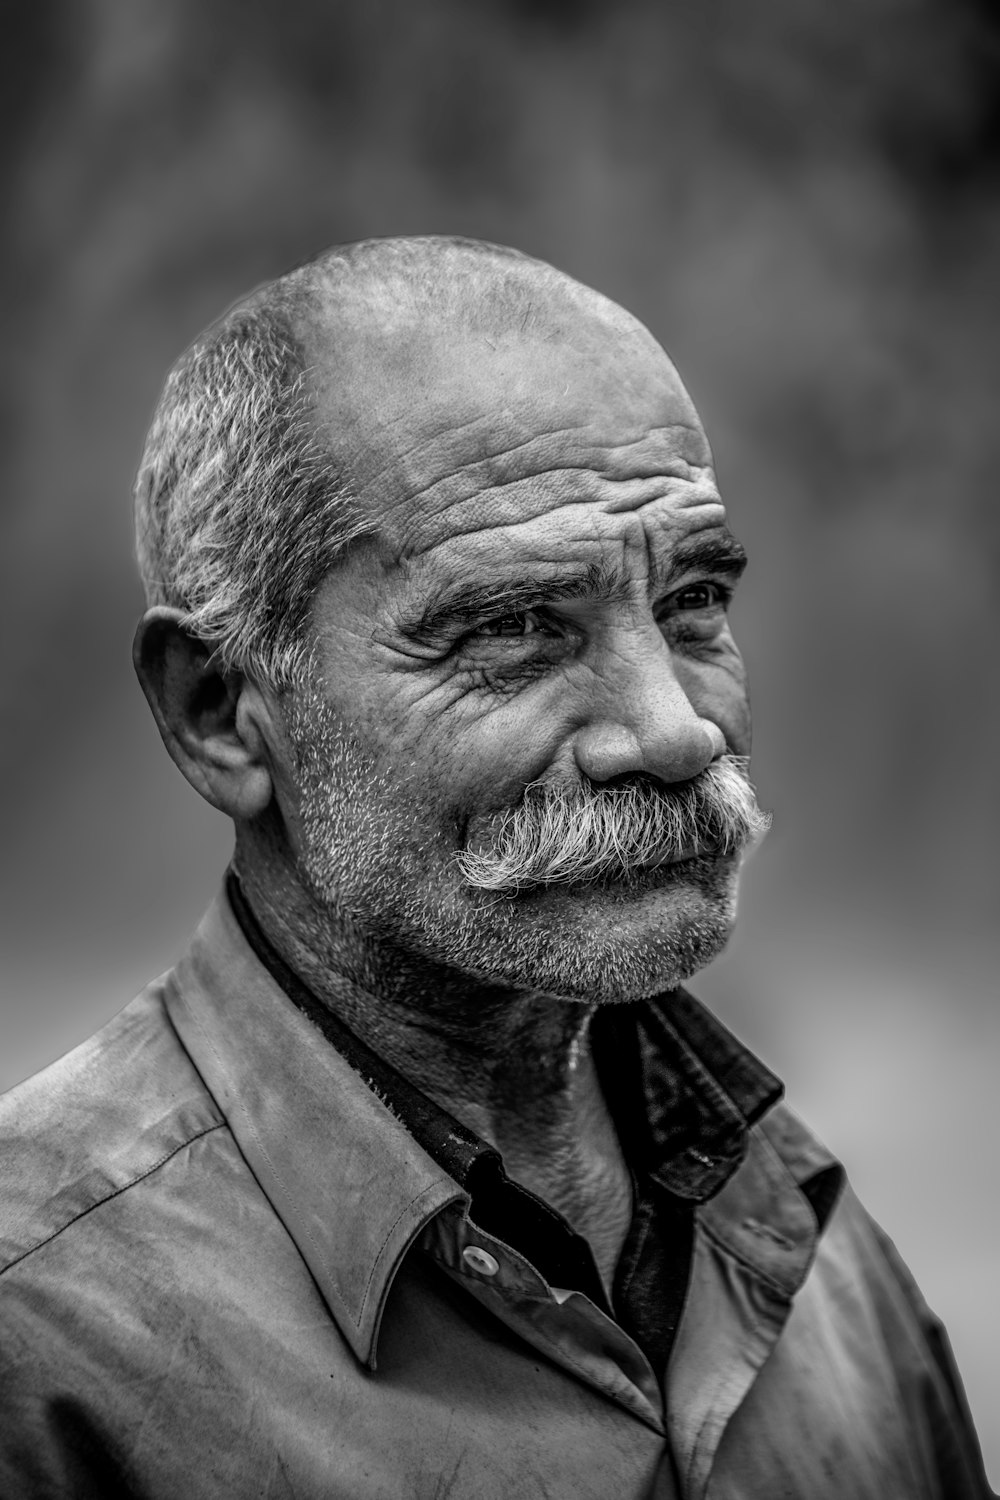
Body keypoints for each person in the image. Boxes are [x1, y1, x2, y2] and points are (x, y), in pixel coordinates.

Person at [0, 236, 990, 1500]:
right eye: (515, 627)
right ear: (220, 712)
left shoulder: (803, 1232)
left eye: (690, 601)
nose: (676, 731)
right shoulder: (39, 1340)